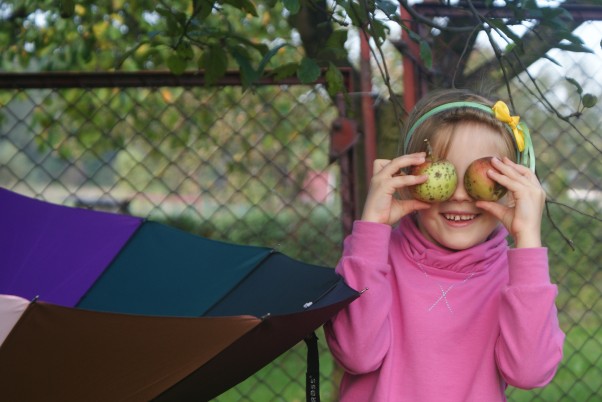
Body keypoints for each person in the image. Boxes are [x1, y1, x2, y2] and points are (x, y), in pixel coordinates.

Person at [325, 89, 565, 402]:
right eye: (445, 176)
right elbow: (357, 356)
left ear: (511, 189)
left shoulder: (518, 277)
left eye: (485, 178)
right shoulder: (373, 259)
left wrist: (528, 242)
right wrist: (372, 230)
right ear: (409, 179)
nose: (461, 196)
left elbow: (530, 373)